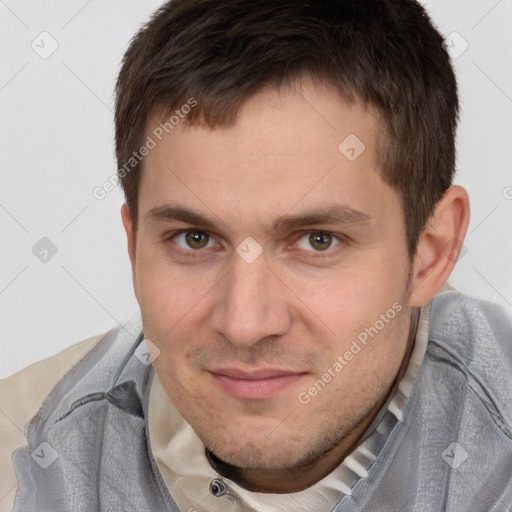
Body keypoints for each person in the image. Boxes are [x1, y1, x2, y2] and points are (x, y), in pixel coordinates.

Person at [1, 0, 511, 510]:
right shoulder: (24, 460)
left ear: (430, 252)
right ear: (134, 247)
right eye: (194, 239)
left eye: (317, 240)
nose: (244, 323)